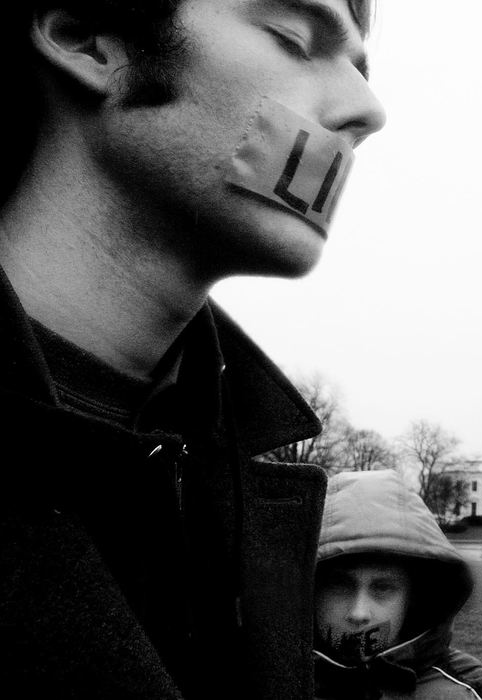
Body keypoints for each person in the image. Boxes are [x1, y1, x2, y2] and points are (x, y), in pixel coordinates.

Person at [0, 1, 384, 697]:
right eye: (295, 39)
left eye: (362, 66)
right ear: (88, 37)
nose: (368, 109)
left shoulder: (238, 468)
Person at [313, 469, 482, 700]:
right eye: (340, 586)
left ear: (412, 598)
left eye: (382, 588)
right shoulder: (267, 679)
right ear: (311, 590)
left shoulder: (462, 691)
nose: (358, 613)